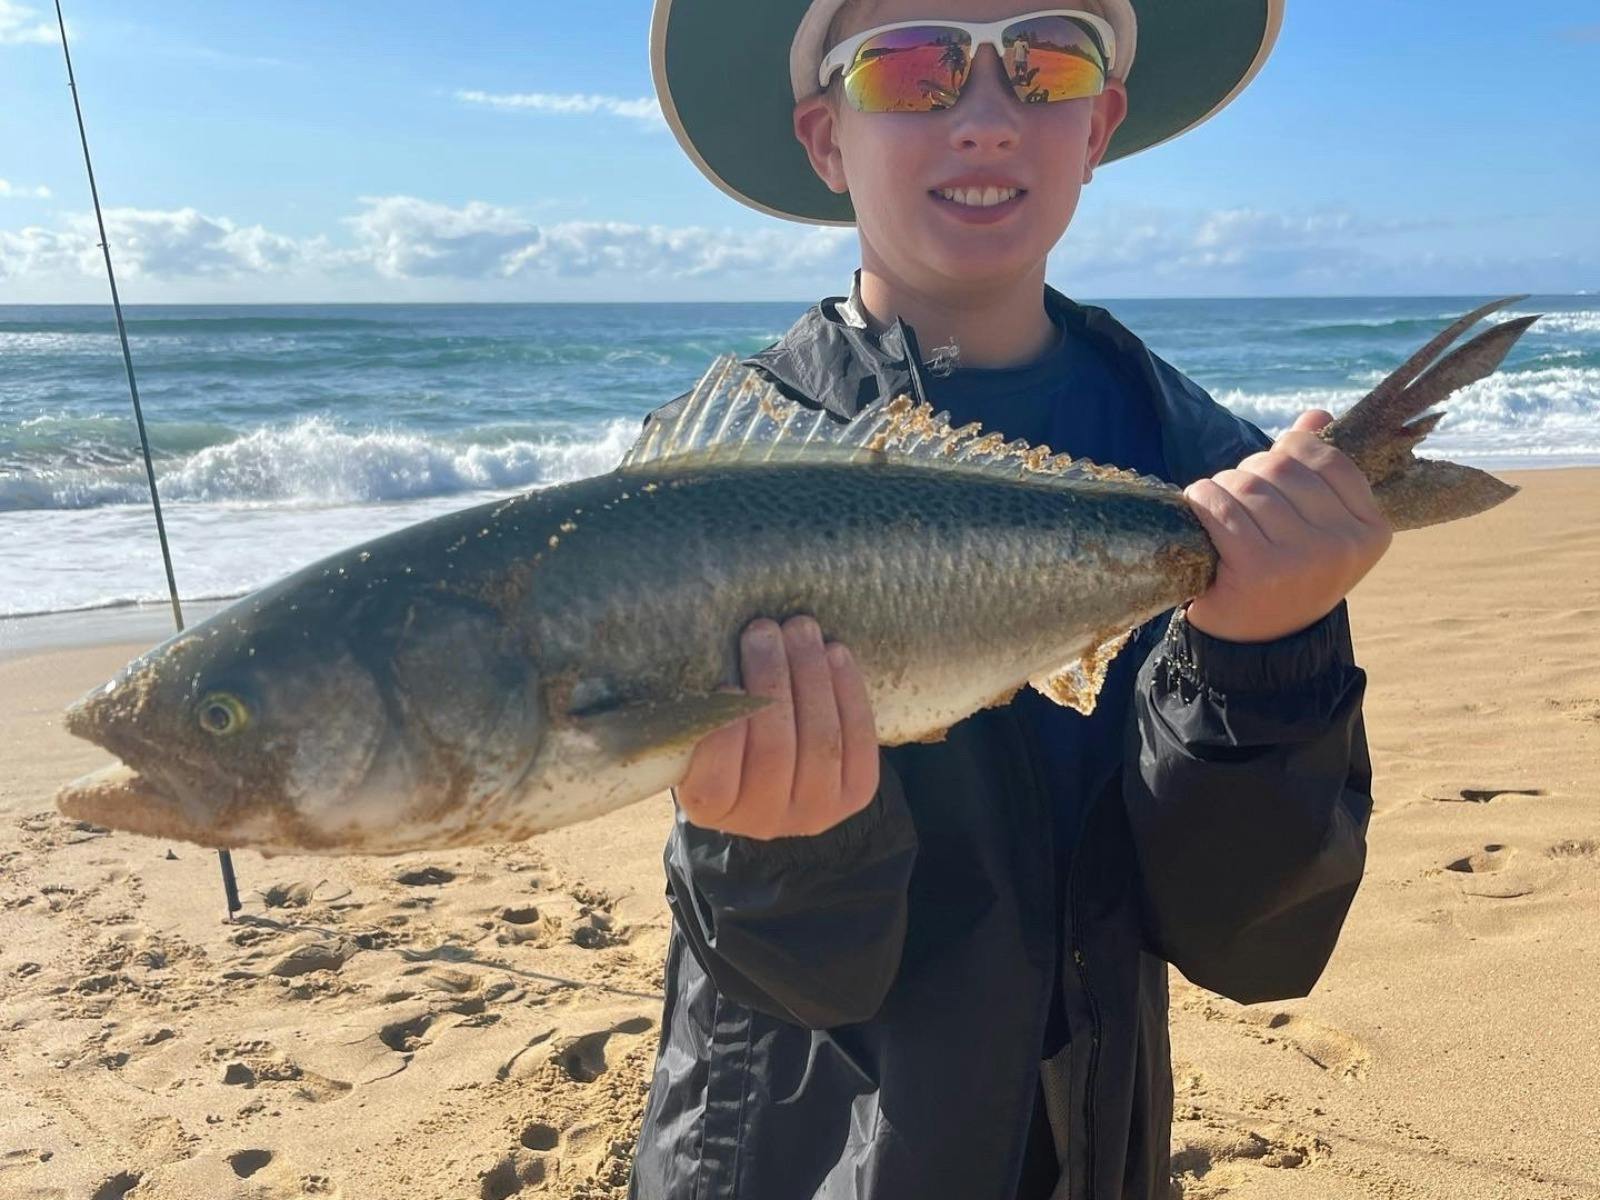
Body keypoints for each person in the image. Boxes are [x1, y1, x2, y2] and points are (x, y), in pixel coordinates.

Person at [629, 1, 1382, 1196]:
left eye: (1043, 61)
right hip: (783, 1154)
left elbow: (1253, 938)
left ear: (1099, 123)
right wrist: (774, 845)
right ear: (826, 140)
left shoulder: (1213, 483)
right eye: (912, 64)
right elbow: (795, 985)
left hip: (1092, 1141)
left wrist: (1260, 664)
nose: (985, 116)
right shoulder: (710, 500)